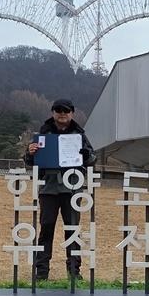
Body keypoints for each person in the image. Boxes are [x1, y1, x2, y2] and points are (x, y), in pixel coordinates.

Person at [24, 98, 96, 281]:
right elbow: (31, 162)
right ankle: (41, 271)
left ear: (72, 113)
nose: (62, 113)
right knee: (46, 229)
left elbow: (91, 159)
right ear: (52, 113)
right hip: (49, 188)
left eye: (66, 110)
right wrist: (29, 152)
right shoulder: (42, 134)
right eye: (58, 110)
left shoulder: (80, 135)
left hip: (72, 188)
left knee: (72, 229)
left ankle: (74, 271)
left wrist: (86, 155)